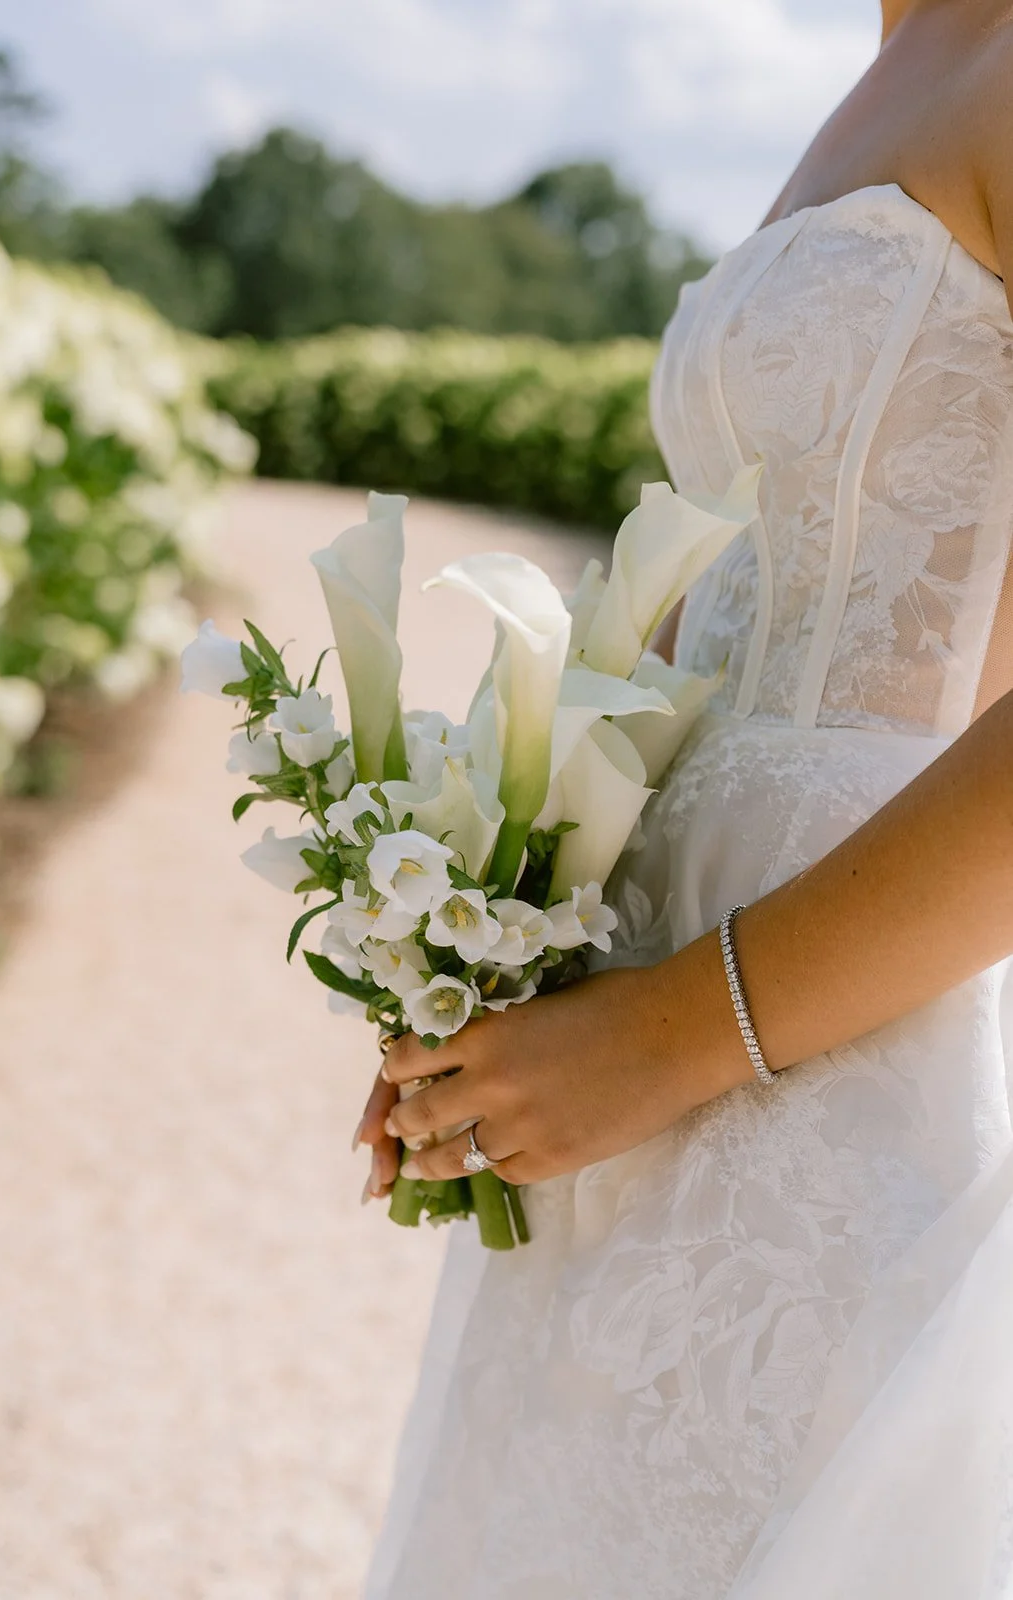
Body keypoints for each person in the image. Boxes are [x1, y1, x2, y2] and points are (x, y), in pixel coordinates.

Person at [358, 1, 1013, 1594]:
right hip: (634, 1017)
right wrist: (479, 926)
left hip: (845, 1021)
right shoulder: (899, 55)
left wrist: (668, 1037)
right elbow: (725, 584)